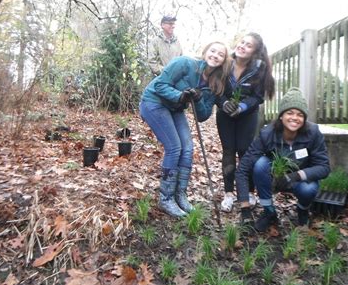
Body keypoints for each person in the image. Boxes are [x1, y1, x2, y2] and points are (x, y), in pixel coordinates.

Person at [139, 42, 230, 217]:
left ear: (224, 61)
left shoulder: (215, 84)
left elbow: (202, 116)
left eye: (220, 54)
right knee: (174, 148)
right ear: (205, 51)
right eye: (212, 50)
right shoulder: (185, 63)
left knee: (187, 149)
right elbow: (160, 85)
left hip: (175, 108)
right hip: (153, 102)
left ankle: (180, 195)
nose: (215, 55)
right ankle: (166, 199)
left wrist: (198, 98)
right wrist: (180, 96)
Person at [235, 87, 330, 231]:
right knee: (260, 164)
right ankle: (269, 212)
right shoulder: (267, 134)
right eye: (289, 113)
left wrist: (296, 176)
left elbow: (324, 167)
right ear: (281, 115)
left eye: (300, 114)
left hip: (299, 180)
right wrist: (245, 209)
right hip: (273, 179)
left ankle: (303, 210)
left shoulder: (313, 133)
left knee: (310, 189)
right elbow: (243, 169)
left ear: (304, 119)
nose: (294, 118)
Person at [216, 32, 275, 212]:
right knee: (228, 151)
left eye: (248, 45)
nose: (242, 46)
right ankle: (228, 194)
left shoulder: (259, 68)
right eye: (242, 42)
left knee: (244, 151)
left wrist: (242, 106)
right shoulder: (225, 63)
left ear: (255, 52)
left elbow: (258, 97)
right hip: (225, 114)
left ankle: (248, 191)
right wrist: (224, 103)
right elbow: (215, 89)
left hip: (247, 116)